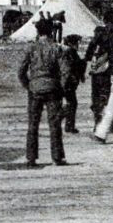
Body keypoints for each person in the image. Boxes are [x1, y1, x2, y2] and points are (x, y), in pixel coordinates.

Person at [17, 17, 69, 167]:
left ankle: (31, 158)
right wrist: (61, 88)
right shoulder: (57, 48)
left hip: (35, 89)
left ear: (37, 31)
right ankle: (57, 157)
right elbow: (65, 71)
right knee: (54, 124)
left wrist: (28, 85)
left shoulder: (31, 48)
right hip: (53, 89)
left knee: (33, 124)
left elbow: (21, 71)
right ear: (52, 31)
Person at [85, 18, 113, 130]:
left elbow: (87, 57)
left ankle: (97, 123)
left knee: (96, 99)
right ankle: (108, 124)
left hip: (95, 74)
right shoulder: (109, 42)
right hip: (106, 74)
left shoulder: (93, 44)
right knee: (107, 98)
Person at [60, 34, 86, 134]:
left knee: (71, 103)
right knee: (72, 103)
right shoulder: (70, 52)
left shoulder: (68, 52)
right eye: (76, 43)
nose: (78, 45)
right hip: (68, 82)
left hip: (68, 82)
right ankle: (66, 124)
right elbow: (71, 67)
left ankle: (68, 125)